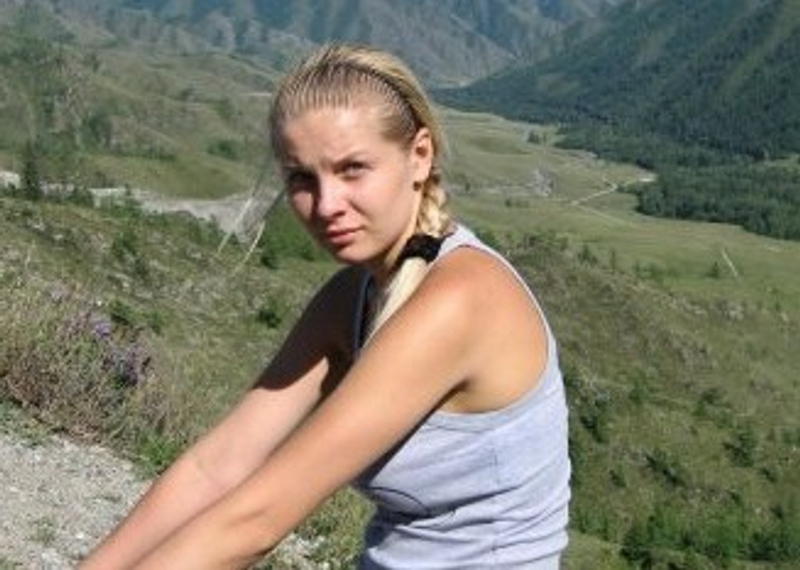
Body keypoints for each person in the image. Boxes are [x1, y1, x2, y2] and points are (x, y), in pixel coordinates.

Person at [80, 44, 571, 569]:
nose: (327, 204)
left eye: (352, 169)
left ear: (420, 156)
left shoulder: (460, 300)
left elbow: (256, 521)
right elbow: (216, 467)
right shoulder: (352, 296)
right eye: (301, 179)